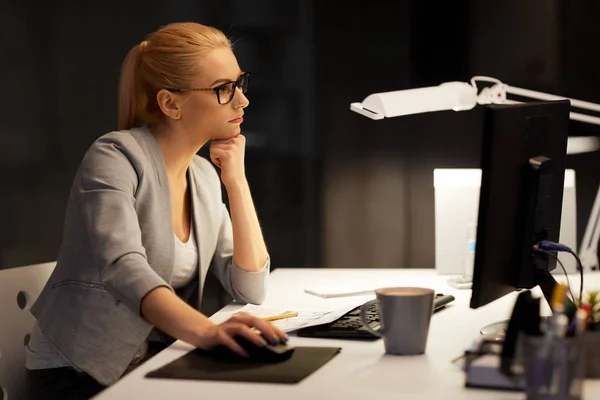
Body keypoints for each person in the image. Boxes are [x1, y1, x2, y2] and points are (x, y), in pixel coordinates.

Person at [25, 21, 287, 400]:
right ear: (170, 103)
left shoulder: (201, 173)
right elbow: (123, 267)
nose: (242, 101)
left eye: (239, 84)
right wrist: (208, 333)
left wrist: (237, 182)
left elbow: (250, 286)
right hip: (78, 374)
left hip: (150, 363)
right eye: (223, 89)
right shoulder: (114, 157)